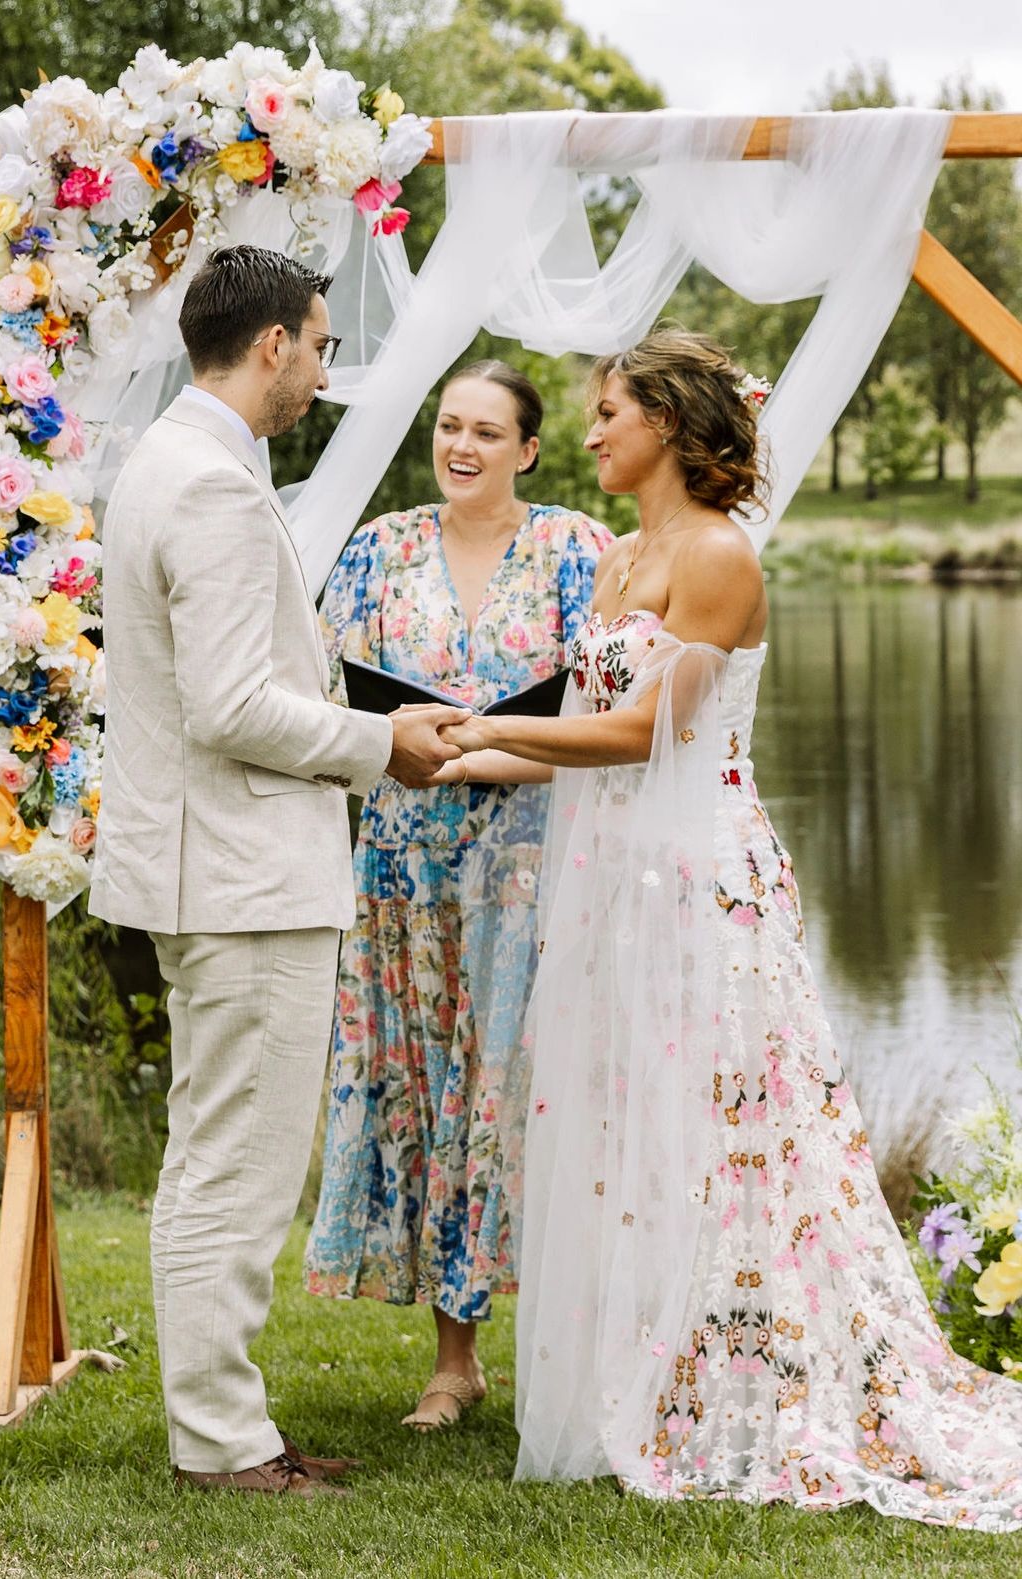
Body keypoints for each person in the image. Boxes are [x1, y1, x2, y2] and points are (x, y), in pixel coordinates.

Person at [437, 329, 1022, 1528]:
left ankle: (745, 1378)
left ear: (666, 420)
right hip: (606, 878)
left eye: (608, 413)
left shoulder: (713, 556)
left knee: (726, 1128)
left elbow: (647, 733)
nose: (590, 434)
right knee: (622, 1116)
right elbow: (592, 745)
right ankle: (645, 1369)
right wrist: (480, 758)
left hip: (700, 881)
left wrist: (478, 732)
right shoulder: (615, 556)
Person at [89, 244, 462, 1498]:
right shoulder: (208, 485)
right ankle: (221, 1442)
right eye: (320, 341)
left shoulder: (173, 461)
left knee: (221, 1154)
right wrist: (381, 744)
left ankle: (229, 1425)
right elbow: (234, 705)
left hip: (214, 865)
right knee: (237, 1171)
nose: (322, 366)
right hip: (240, 874)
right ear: (269, 347)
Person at [303, 360, 612, 1430]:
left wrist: (480, 750)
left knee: (534, 1092)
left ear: (528, 448)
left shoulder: (579, 550)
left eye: (487, 430)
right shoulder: (378, 550)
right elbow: (323, 694)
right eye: (448, 426)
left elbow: (608, 714)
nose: (462, 445)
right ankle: (452, 1360)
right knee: (437, 1091)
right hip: (404, 870)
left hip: (534, 863)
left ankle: (584, 1347)